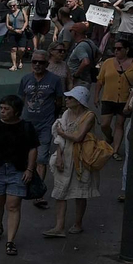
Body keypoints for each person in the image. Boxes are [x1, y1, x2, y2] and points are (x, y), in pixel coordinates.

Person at [0, 96, 39, 256]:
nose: (2, 111)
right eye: (1, 108)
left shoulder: (26, 127)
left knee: (13, 206)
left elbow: (33, 149)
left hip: (18, 171)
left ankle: (10, 241)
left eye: (6, 109)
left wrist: (29, 169)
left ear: (16, 112)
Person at [43, 87, 101, 238]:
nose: (67, 100)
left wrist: (62, 132)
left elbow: (78, 137)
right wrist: (59, 157)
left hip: (81, 158)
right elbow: (60, 139)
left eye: (70, 98)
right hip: (66, 155)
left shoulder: (89, 116)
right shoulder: (67, 114)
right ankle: (59, 226)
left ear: (79, 101)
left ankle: (78, 223)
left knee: (80, 192)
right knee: (60, 192)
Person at [17, 51, 66, 209]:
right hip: (26, 124)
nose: (37, 65)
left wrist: (54, 118)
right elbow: (21, 100)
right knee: (23, 156)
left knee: (41, 158)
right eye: (34, 62)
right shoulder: (25, 79)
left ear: (47, 64)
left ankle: (38, 194)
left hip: (45, 124)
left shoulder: (55, 80)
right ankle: (23, 185)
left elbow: (59, 101)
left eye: (41, 62)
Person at [94, 38, 133, 149]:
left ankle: (115, 150)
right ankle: (109, 137)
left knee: (119, 124)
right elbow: (100, 81)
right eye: (114, 48)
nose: (116, 51)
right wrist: (96, 96)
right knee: (104, 124)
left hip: (124, 100)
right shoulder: (107, 62)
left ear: (126, 50)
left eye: (119, 48)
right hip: (108, 98)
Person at [6, 0, 32, 72]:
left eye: (14, 6)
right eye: (10, 6)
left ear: (16, 5)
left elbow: (26, 21)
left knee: (22, 49)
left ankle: (20, 59)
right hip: (12, 32)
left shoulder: (22, 11)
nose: (12, 7)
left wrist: (22, 29)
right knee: (13, 49)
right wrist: (14, 30)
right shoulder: (8, 14)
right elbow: (7, 25)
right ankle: (14, 65)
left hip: (22, 31)